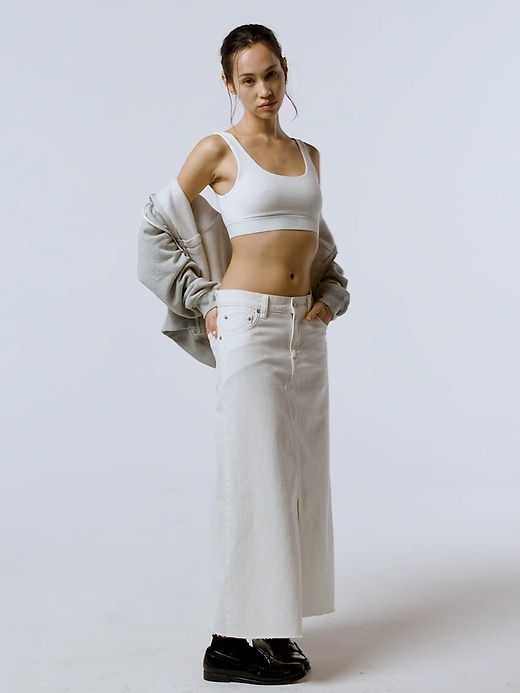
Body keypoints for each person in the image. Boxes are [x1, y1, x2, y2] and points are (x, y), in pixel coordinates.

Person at [138, 23, 350, 685]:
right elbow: (156, 225)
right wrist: (201, 297)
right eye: (248, 79)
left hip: (303, 332)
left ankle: (253, 633)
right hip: (248, 325)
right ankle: (245, 634)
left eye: (271, 74)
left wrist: (329, 298)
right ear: (229, 83)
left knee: (299, 476)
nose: (263, 90)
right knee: (255, 476)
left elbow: (315, 243)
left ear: (286, 70)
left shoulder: (310, 155)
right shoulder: (218, 150)